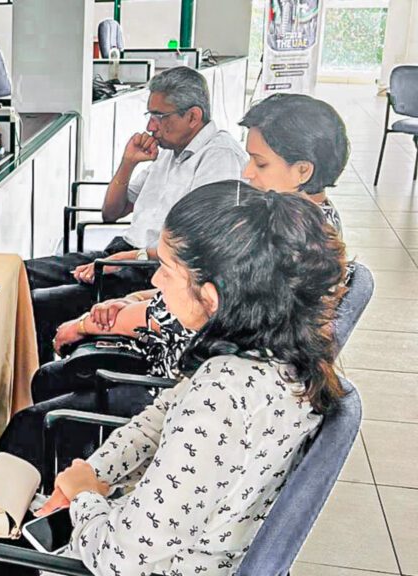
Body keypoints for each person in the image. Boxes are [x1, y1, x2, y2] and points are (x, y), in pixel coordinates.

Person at [42, 182, 346, 574]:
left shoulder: (221, 396)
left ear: (212, 298)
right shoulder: (277, 351)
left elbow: (122, 561)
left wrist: (84, 497)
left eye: (167, 271)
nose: (155, 282)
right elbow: (156, 422)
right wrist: (95, 472)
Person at [33, 93, 352, 406]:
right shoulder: (307, 222)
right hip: (192, 355)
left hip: (189, 383)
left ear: (303, 171)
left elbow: (193, 312)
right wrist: (132, 300)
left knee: (49, 381)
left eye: (260, 163)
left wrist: (86, 324)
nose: (247, 173)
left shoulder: (285, 239)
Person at [26, 66, 247, 364]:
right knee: (22, 276)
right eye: (150, 115)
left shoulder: (219, 157)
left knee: (35, 305)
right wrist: (128, 163)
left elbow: (199, 247)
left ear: (193, 116)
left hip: (153, 271)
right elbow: (111, 212)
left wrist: (131, 258)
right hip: (122, 255)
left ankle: (34, 377)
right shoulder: (168, 150)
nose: (151, 127)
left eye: (159, 116)